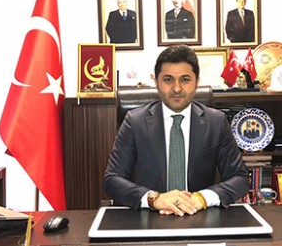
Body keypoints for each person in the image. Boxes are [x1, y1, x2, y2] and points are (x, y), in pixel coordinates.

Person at [103, 45, 249, 217]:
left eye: (185, 79)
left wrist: (202, 198)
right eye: (168, 80)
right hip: (149, 217)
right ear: (156, 82)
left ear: (197, 82)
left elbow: (240, 179)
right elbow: (112, 180)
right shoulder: (135, 122)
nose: (177, 88)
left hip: (198, 215)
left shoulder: (216, 122)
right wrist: (154, 199)